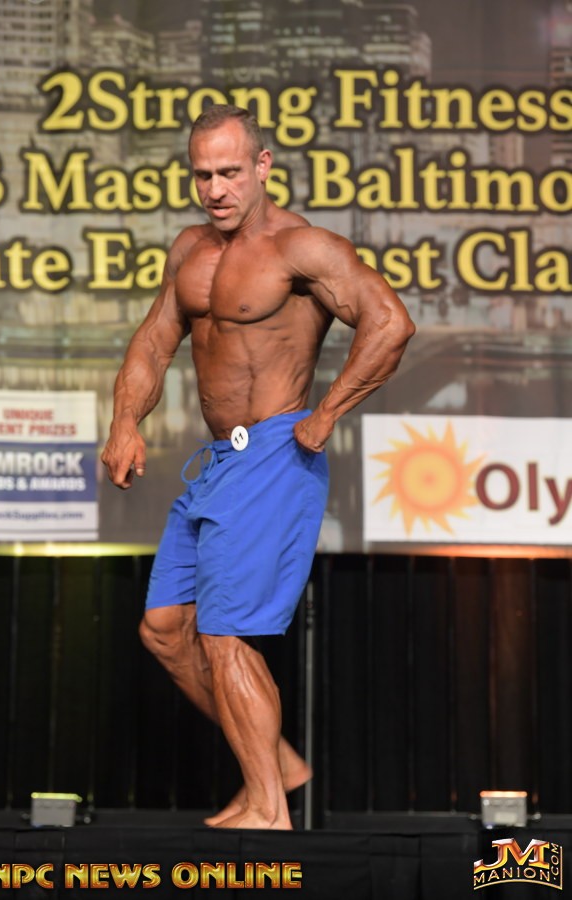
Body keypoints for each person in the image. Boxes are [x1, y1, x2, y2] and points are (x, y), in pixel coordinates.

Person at [101, 104, 415, 830]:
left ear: (263, 165)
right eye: (202, 175)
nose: (215, 188)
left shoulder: (300, 249)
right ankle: (276, 766)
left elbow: (391, 323)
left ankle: (269, 809)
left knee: (223, 633)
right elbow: (153, 342)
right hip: (218, 462)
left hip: (275, 452)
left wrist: (327, 412)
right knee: (164, 627)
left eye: (230, 172)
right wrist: (124, 422)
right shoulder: (190, 249)